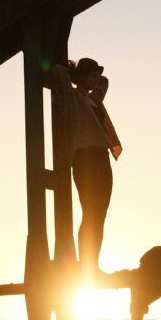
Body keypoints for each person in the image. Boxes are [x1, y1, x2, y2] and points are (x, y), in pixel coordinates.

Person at [50, 58, 122, 279]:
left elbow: (105, 81)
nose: (96, 79)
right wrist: (68, 66)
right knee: (90, 213)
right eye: (91, 76)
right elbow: (59, 74)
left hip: (102, 158)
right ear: (81, 78)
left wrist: (93, 74)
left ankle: (92, 264)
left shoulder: (95, 100)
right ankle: (86, 266)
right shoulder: (72, 98)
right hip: (84, 160)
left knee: (100, 215)